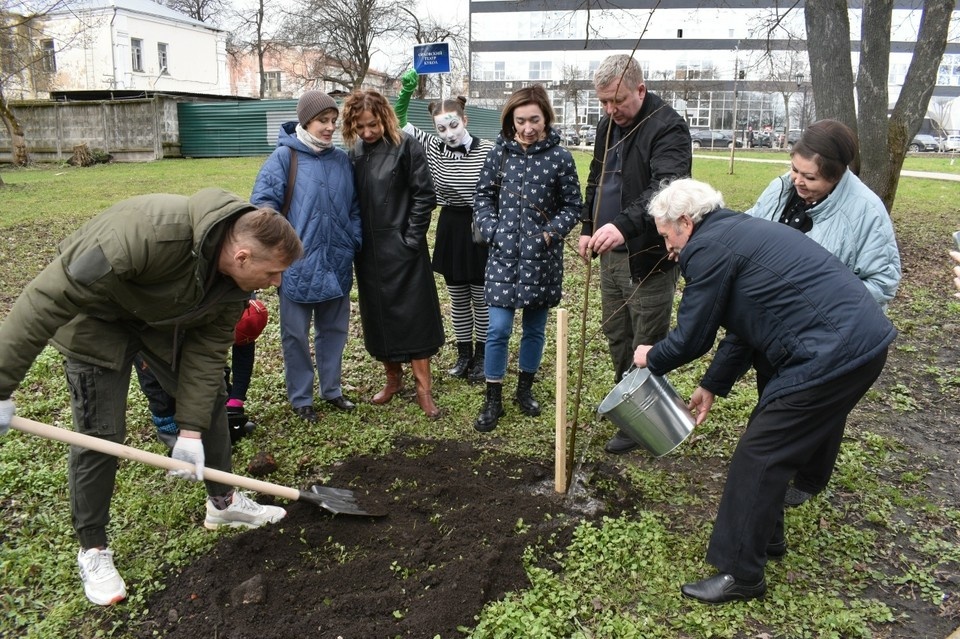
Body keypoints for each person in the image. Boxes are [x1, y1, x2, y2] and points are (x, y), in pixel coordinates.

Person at [0, 188, 302, 606]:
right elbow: (47, 297)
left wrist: (190, 432)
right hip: (96, 318)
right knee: (100, 433)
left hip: (161, 321)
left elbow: (206, 355)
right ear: (242, 256)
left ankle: (224, 501)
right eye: (273, 273)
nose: (277, 283)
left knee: (211, 400)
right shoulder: (144, 233)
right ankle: (93, 548)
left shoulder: (235, 286)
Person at [632, 178, 895, 604]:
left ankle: (741, 573)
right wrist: (712, 384)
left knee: (760, 453)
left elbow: (692, 337)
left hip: (832, 353)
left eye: (667, 236)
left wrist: (652, 356)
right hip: (856, 345)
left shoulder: (706, 248)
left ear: (685, 222)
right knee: (768, 440)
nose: (668, 248)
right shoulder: (738, 232)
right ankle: (767, 538)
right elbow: (747, 323)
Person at [744, 118, 902, 506]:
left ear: (836, 174)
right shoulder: (781, 189)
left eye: (809, 177)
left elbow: (883, 281)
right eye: (794, 169)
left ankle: (810, 477)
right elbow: (750, 228)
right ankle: (779, 460)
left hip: (828, 336)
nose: (797, 180)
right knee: (775, 391)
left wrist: (823, 304)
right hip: (776, 326)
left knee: (821, 409)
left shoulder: (865, 211)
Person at [576, 54, 692, 455]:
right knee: (617, 333)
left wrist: (622, 226)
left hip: (648, 256)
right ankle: (626, 398)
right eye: (604, 102)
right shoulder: (606, 125)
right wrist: (588, 225)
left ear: (640, 89)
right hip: (610, 253)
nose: (611, 110)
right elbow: (596, 177)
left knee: (646, 337)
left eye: (618, 100)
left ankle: (645, 419)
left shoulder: (667, 126)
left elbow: (667, 188)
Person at [472, 84, 583, 433]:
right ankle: (493, 397)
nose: (527, 128)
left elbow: (573, 206)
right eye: (520, 121)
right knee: (498, 329)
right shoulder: (498, 155)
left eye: (534, 120)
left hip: (541, 260)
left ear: (546, 118)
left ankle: (524, 389)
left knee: (534, 330)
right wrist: (493, 231)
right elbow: (482, 198)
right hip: (503, 258)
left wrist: (549, 234)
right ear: (511, 120)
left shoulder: (560, 158)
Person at [251, 90, 362, 423]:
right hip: (297, 265)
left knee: (334, 330)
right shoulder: (284, 157)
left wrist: (353, 239)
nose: (330, 127)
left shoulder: (341, 160)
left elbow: (355, 207)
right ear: (305, 122)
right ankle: (301, 398)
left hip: (336, 260)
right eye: (322, 121)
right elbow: (263, 209)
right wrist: (280, 253)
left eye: (333, 120)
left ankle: (332, 390)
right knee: (295, 335)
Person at [340, 89, 445, 419]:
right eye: (360, 127)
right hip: (369, 253)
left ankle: (423, 389)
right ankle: (393, 380)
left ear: (384, 117)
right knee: (379, 318)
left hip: (404, 250)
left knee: (416, 318)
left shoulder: (407, 146)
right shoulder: (354, 152)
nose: (367, 132)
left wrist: (410, 239)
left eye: (372, 124)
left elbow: (424, 195)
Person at [394, 69, 494, 384]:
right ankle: (464, 354)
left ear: (464, 120)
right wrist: (405, 93)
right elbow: (398, 123)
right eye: (441, 128)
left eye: (453, 125)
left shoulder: (488, 149)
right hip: (451, 224)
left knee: (481, 295)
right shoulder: (432, 146)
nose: (448, 133)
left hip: (479, 225)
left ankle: (483, 355)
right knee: (457, 295)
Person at [134, 296, 268, 449]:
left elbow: (235, 357)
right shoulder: (197, 310)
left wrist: (235, 402)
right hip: (153, 324)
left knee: (213, 366)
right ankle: (167, 428)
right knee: (155, 377)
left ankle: (220, 415)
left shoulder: (244, 309)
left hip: (200, 320)